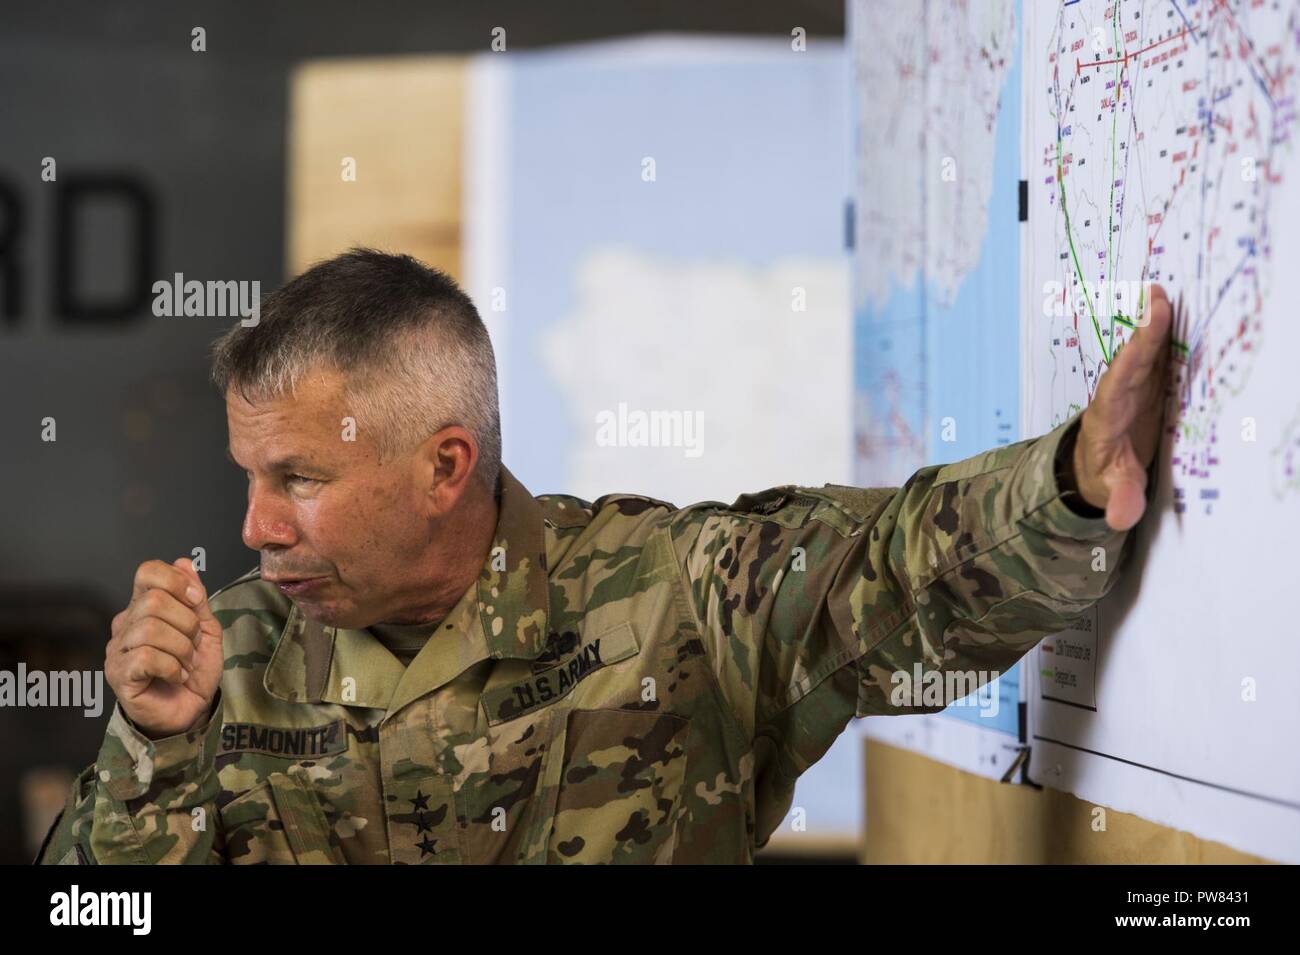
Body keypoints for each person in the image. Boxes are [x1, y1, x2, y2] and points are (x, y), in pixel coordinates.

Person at [36, 249, 1172, 864]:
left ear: (443, 466)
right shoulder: (218, 659)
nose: (254, 528)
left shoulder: (665, 599)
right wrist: (153, 749)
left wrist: (1067, 484)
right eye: (250, 476)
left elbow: (885, 572)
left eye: (300, 480)